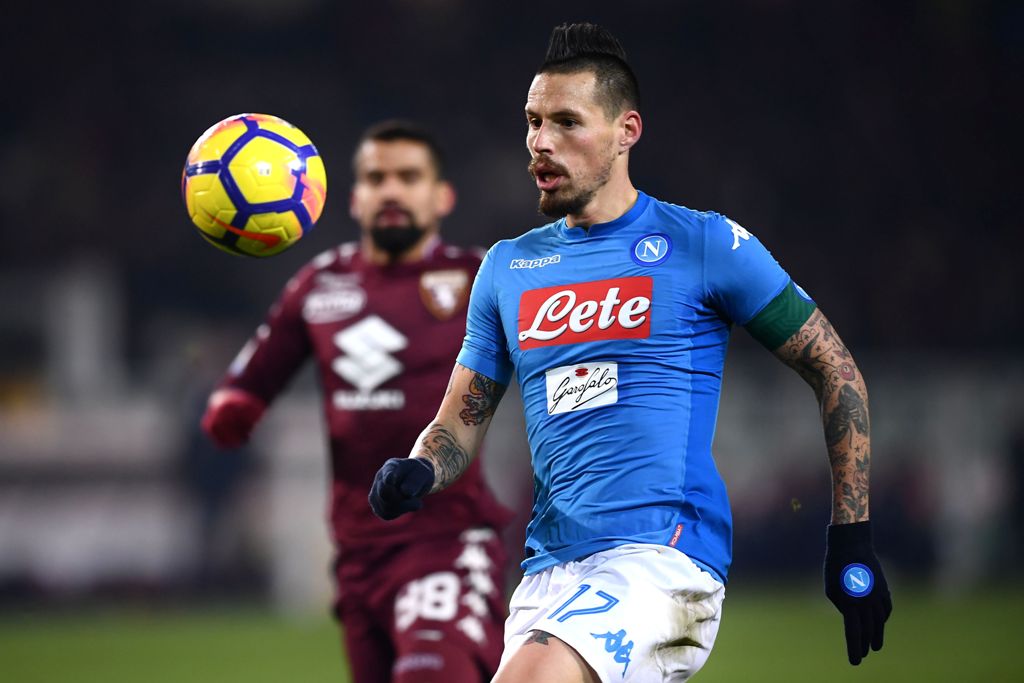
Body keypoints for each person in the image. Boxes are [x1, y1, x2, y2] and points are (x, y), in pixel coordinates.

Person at [368, 23, 892, 682]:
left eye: (566, 122)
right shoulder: (509, 267)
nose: (541, 143)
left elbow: (833, 367)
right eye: (533, 122)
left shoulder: (703, 244)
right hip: (547, 576)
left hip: (663, 560)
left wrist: (852, 533)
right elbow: (459, 422)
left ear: (627, 131)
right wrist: (419, 469)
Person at [201, 120, 513, 683]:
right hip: (357, 553)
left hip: (446, 539)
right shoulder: (320, 284)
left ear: (442, 196)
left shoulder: (479, 278)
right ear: (351, 198)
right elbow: (252, 379)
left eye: (408, 176)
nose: (390, 190)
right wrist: (234, 406)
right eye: (376, 177)